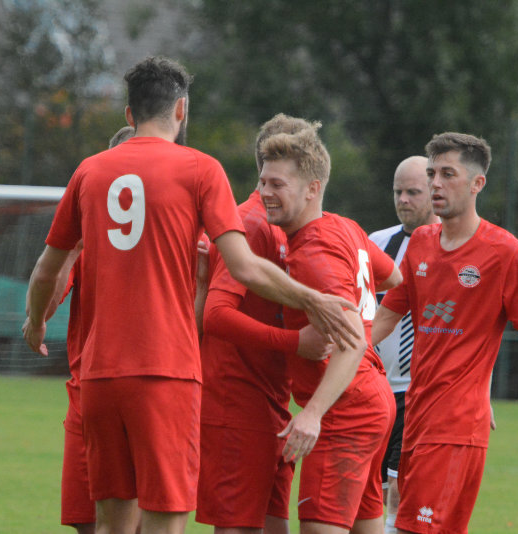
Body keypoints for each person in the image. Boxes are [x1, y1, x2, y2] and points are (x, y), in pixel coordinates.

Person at [22, 56, 361, 534]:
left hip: (97, 376)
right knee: (165, 518)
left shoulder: (89, 172)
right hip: (165, 372)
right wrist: (312, 300)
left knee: (111, 522)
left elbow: (45, 271)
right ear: (181, 110)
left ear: (128, 114)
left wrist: (35, 323)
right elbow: (243, 266)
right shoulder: (199, 169)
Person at [372, 132, 518, 534]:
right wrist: (339, 352)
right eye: (432, 174)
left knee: (407, 528)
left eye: (447, 174)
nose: (435, 184)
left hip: (456, 427)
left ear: (478, 183)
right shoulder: (422, 243)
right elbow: (386, 318)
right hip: (416, 421)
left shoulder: (504, 252)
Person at [257, 120, 402, 534]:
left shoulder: (313, 252)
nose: (266, 193)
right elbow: (393, 279)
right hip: (373, 400)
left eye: (278, 184)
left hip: (345, 411)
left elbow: (352, 338)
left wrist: (313, 414)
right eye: (263, 181)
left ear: (312, 188)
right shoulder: (345, 227)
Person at [197, 114, 330, 534]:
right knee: (238, 526)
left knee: (272, 524)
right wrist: (296, 343)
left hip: (271, 401)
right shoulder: (252, 225)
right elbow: (215, 315)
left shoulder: (282, 226)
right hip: (237, 402)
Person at [27, 127, 136, 534]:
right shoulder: (87, 239)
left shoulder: (177, 233)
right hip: (88, 389)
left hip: (152, 387)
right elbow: (52, 299)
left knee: (138, 520)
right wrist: (72, 247)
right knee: (87, 521)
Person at [367, 155, 438, 534]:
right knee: (374, 489)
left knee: (400, 488)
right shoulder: (377, 243)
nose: (404, 199)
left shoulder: (451, 246)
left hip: (419, 391)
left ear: (433, 192)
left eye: (413, 192)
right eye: (398, 191)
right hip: (377, 388)